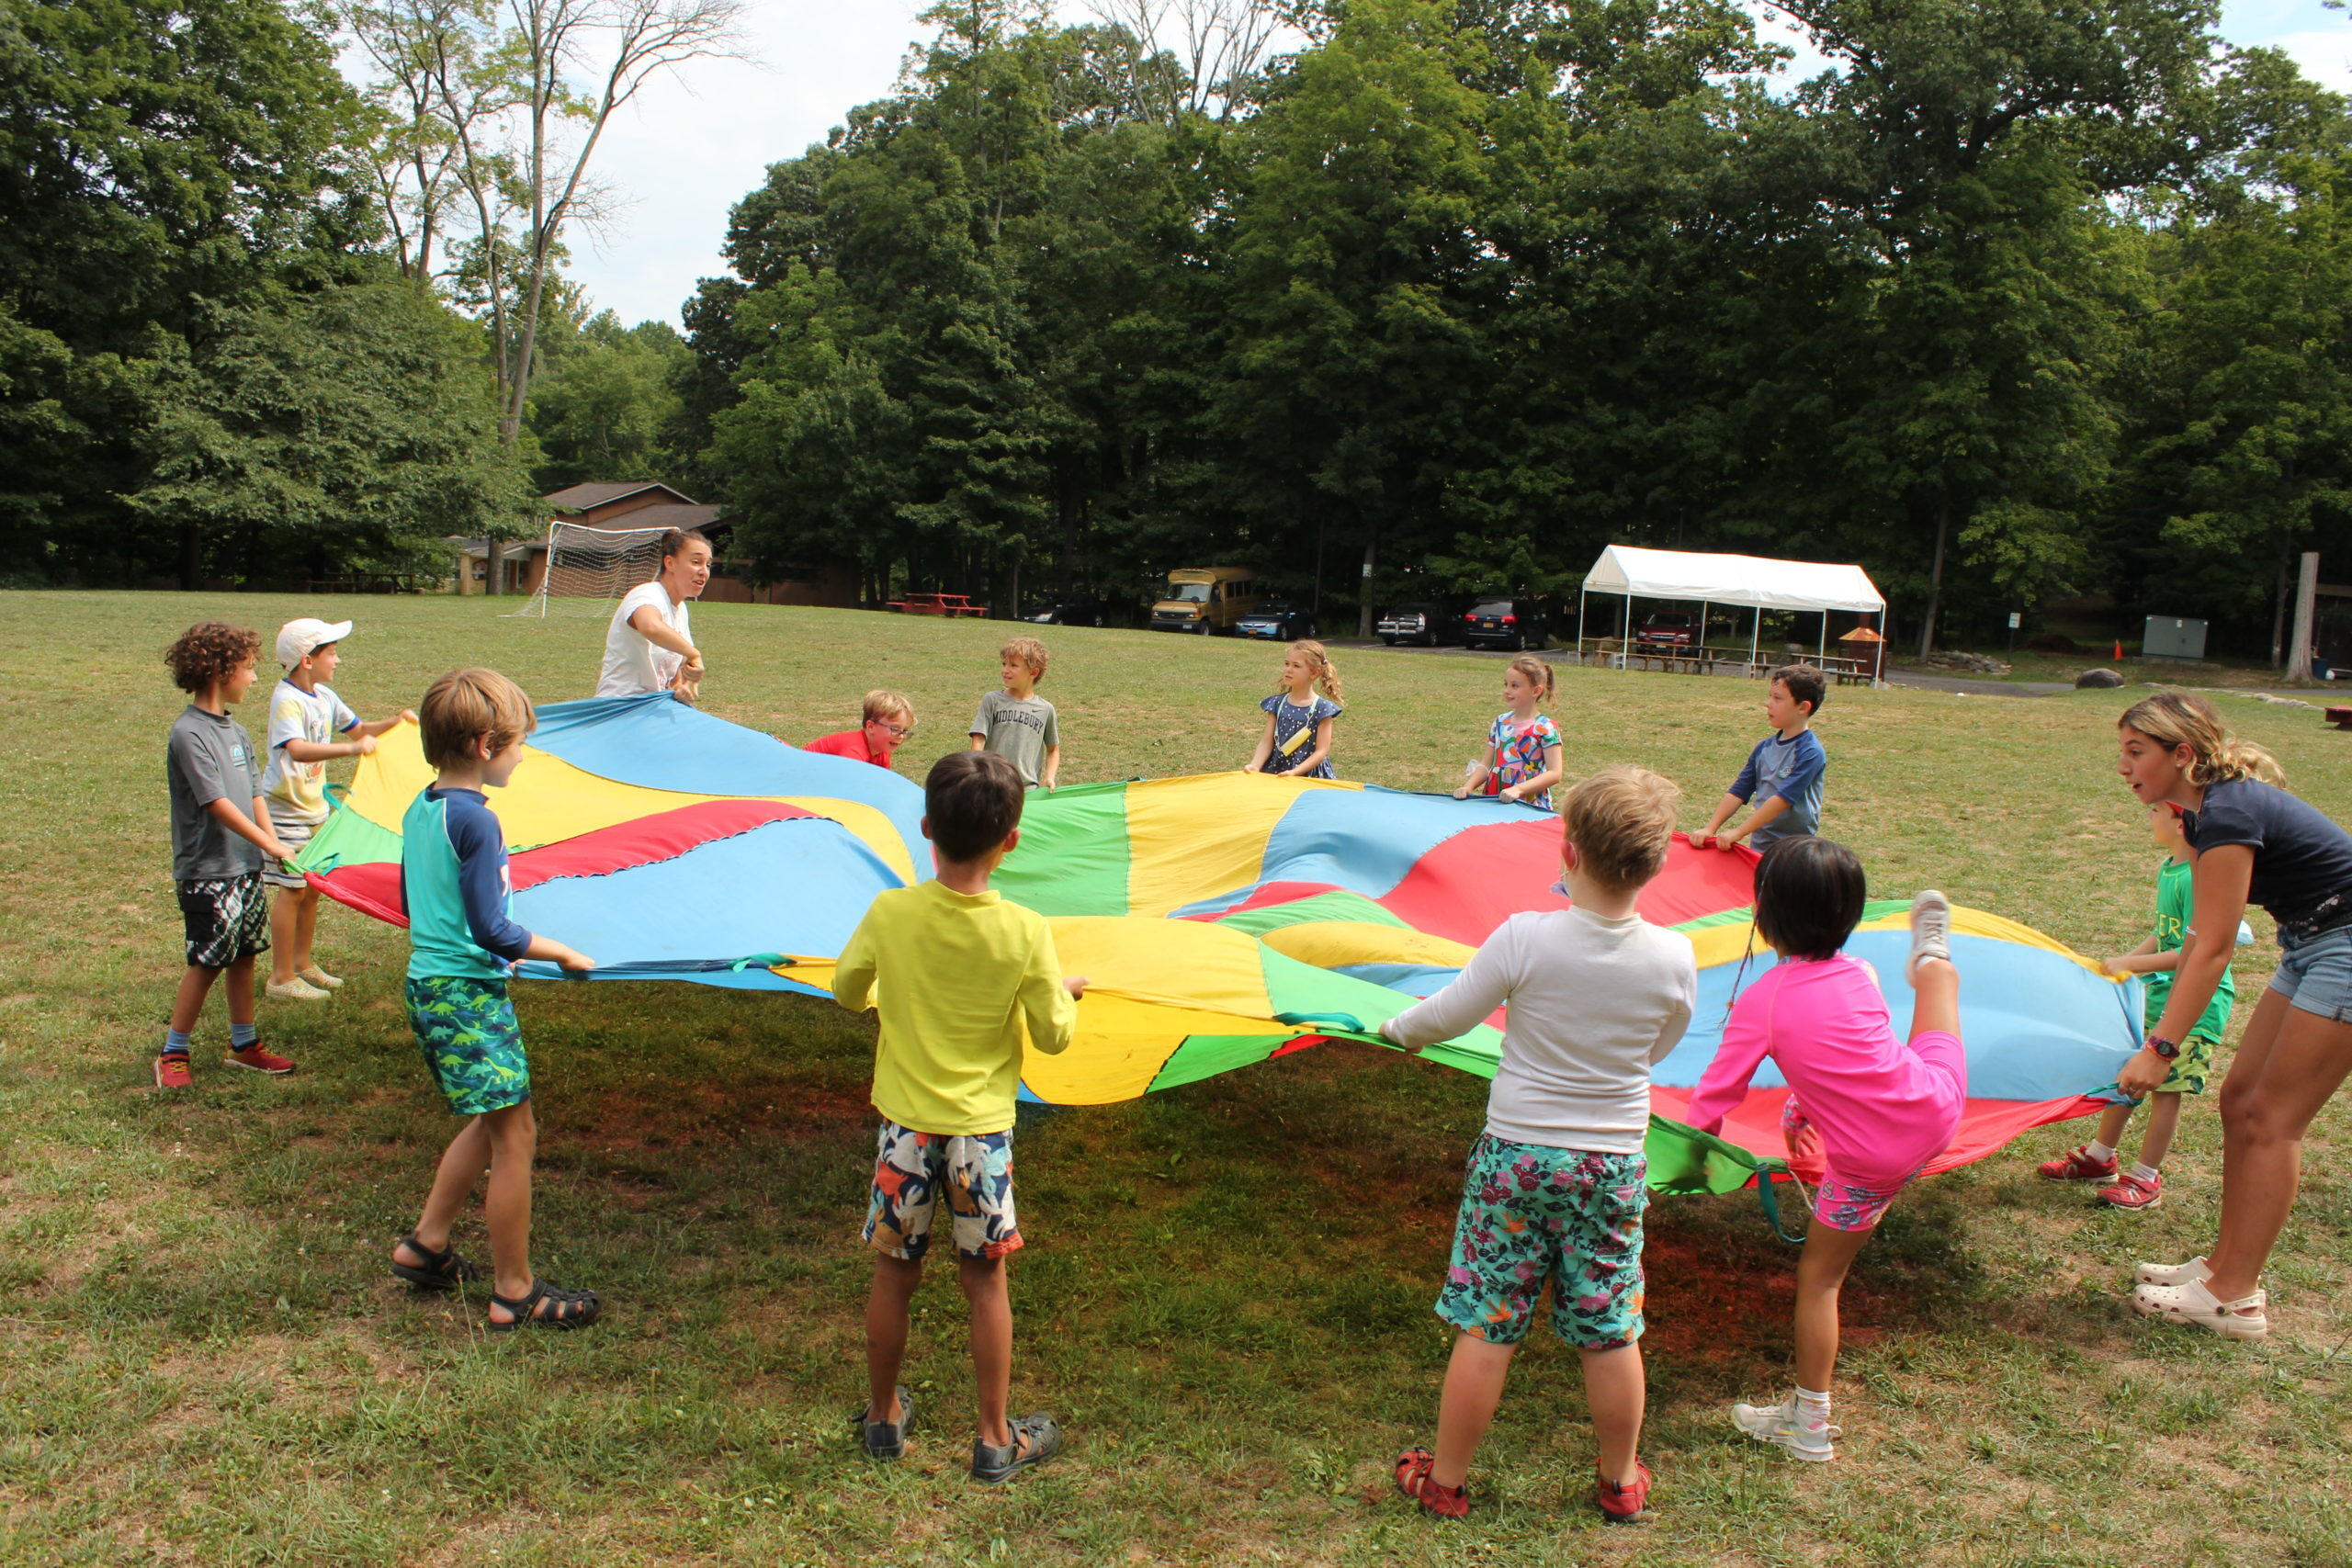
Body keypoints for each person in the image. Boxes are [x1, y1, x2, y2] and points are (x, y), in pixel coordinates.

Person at [1381, 766, 1697, 1524]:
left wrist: (1398, 1030)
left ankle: (1446, 1481)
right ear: (1655, 866)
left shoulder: (1525, 936)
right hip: (1611, 1166)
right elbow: (1661, 1044)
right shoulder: (1674, 956)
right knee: (1610, 1329)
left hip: (1517, 1162)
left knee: (1488, 1323)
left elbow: (1447, 1014)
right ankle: (1620, 1480)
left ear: (1569, 852)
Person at [832, 751, 1087, 1481]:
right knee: (986, 1282)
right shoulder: (1024, 930)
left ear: (925, 829)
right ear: (1012, 840)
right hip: (981, 1138)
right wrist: (1062, 993)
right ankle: (994, 1438)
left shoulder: (891, 912)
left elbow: (848, 990)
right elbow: (1054, 1036)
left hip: (905, 1134)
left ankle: (883, 1418)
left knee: (893, 1273)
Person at [1685, 840, 1962, 1462]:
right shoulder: (1860, 972)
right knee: (1938, 992)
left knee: (1819, 1280)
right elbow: (1852, 1056)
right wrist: (1800, 1107)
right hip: (1934, 1111)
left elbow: (1716, 1092)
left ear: (1764, 915)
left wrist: (1692, 1157)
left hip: (1870, 1161)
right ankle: (1933, 953)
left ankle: (1808, 1425)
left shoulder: (1763, 998)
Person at [2114, 692, 2352, 1342]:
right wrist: (2160, 1038)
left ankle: (2235, 1297)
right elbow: (2199, 935)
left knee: (2273, 1120)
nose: (2123, 766)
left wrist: (2160, 1049)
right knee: (2240, 1099)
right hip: (2310, 942)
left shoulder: (2228, 811)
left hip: (2343, 943)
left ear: (2181, 755)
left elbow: (2217, 949)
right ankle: (2223, 1266)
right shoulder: (2203, 817)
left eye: (2136, 751)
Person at [389, 668, 602, 1330]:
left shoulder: (422, 806)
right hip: (465, 997)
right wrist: (561, 951)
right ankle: (514, 1291)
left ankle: (426, 1244)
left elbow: (415, 902)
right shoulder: (478, 821)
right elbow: (492, 928)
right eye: (518, 744)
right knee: (517, 1136)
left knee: (491, 1122)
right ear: (484, 745)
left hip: (429, 984)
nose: (522, 755)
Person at [2039, 801, 2236, 1210]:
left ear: (2181, 824)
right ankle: (2099, 1157)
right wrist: (2124, 962)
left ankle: (2146, 1178)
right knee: (2128, 1075)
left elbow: (2195, 951)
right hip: (2161, 995)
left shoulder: (2196, 878)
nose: (2149, 815)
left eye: (2157, 810)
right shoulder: (2171, 868)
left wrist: (2132, 964)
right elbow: (2164, 934)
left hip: (2196, 1005)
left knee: (2167, 1090)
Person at [159, 623, 302, 1088]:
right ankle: (173, 1053)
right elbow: (216, 802)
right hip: (208, 870)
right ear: (221, 672)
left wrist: (270, 845)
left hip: (245, 866)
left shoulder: (236, 731)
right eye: (248, 668)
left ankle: (244, 1045)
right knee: (208, 960)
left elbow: (255, 795)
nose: (254, 678)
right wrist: (271, 844)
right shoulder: (188, 734)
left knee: (244, 955)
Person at [259, 617, 416, 1001]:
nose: (337, 660)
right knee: (292, 890)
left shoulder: (325, 697)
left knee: (312, 888)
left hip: (313, 809)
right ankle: (280, 977)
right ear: (307, 660)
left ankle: (302, 963)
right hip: (284, 811)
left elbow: (360, 729)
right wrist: (351, 750)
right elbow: (297, 749)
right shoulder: (287, 700)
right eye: (331, 653)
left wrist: (396, 722)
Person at [1697, 664, 1827, 852]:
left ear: (1803, 707)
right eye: (1770, 696)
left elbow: (1783, 799)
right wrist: (1710, 828)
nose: (1769, 704)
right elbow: (1739, 791)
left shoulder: (1811, 752)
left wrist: (1740, 831)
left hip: (1795, 852)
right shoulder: (1764, 749)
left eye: (1777, 698)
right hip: (1760, 844)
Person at [595, 529, 711, 702]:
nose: (704, 572)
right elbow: (650, 626)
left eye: (708, 565)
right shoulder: (647, 594)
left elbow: (674, 678)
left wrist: (680, 688)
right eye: (696, 562)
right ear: (670, 563)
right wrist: (694, 654)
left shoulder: (681, 610)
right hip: (621, 705)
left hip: (653, 704)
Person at [1453, 655, 1564, 809]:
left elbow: (1555, 773)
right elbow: (1486, 765)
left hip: (1528, 804)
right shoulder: (1500, 722)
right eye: (1506, 684)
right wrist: (1468, 787)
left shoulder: (1546, 727)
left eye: (1514, 686)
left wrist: (1518, 789)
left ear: (1536, 691)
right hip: (1495, 799)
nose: (1507, 691)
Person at [967, 637, 1060, 790]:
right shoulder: (992, 700)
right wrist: (974, 776)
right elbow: (978, 741)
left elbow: (1053, 750)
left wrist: (1049, 777)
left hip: (1027, 790)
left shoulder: (1046, 709)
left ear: (1033, 672)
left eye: (1013, 665)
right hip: (993, 785)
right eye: (1004, 664)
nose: (1005, 670)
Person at [1245, 640, 1344, 781]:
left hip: (1309, 776)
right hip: (1277, 771)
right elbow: (1266, 742)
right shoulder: (1277, 703)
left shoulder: (1323, 709)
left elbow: (1321, 751)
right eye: (1287, 664)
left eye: (1296, 666)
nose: (1288, 669)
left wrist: (1295, 772)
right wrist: (1255, 765)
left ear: (1315, 672)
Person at [803, 691, 916, 769]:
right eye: (895, 729)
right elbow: (849, 785)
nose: (901, 736)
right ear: (871, 727)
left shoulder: (882, 752)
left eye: (905, 730)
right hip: (803, 771)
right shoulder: (854, 752)